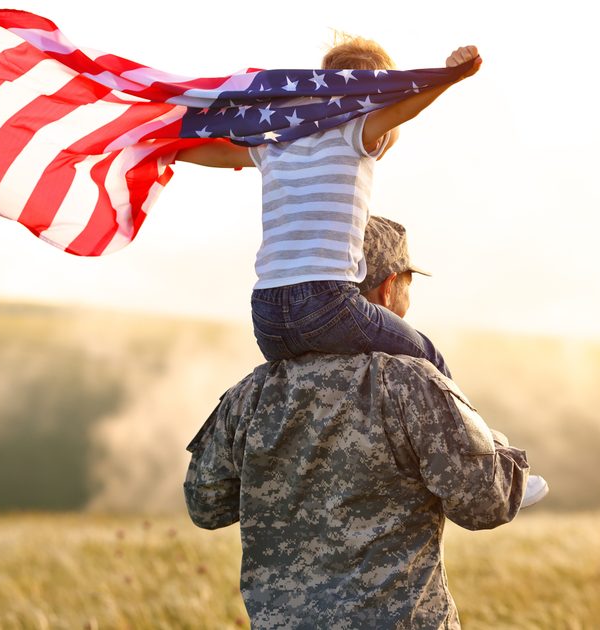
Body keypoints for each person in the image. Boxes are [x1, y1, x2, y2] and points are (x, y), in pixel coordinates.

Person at [184, 216, 547, 628]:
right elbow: (485, 504)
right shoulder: (410, 382)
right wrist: (500, 452)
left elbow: (206, 505)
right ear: (388, 286)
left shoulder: (250, 393)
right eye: (408, 285)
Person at [176, 36, 480, 378]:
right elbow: (402, 112)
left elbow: (218, 153)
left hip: (267, 318)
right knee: (430, 359)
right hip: (326, 304)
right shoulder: (354, 130)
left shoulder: (278, 139)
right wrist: (450, 77)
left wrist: (162, 148)